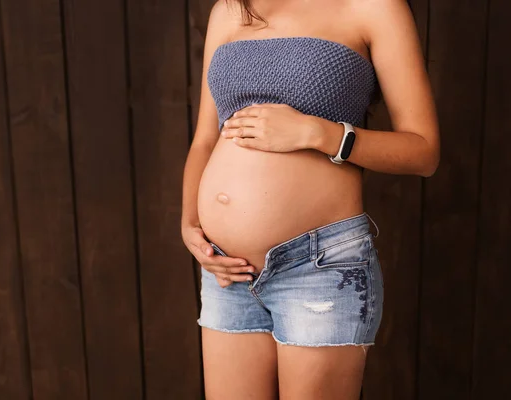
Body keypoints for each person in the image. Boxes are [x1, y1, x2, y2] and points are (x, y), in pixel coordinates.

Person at [181, 0, 439, 398]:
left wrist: (317, 133)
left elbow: (423, 151)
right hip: (227, 272)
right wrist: (190, 225)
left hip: (318, 267)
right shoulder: (231, 10)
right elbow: (204, 139)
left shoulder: (374, 7)